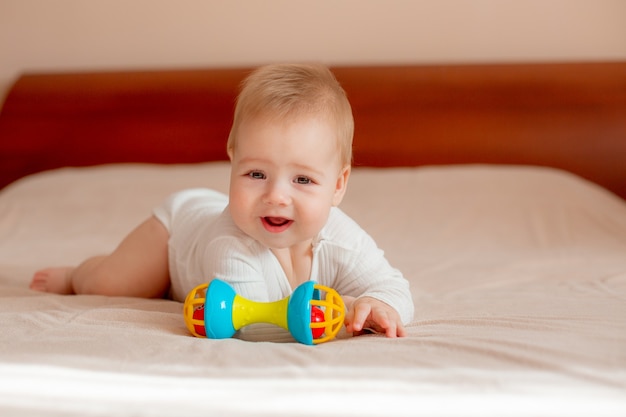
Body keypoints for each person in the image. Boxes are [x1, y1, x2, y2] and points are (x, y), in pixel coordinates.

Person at [29, 63, 414, 339]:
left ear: (338, 185)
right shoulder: (230, 242)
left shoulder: (341, 237)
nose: (276, 196)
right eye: (256, 175)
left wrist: (380, 304)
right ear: (232, 158)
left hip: (199, 231)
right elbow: (256, 325)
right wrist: (347, 309)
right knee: (112, 283)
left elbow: (392, 285)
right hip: (176, 235)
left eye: (302, 179)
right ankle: (76, 274)